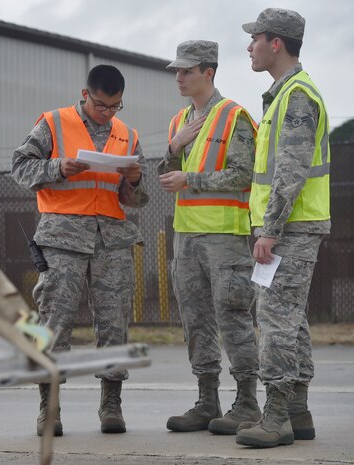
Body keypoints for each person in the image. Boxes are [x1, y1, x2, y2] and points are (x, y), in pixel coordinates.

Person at [11, 64, 148, 436]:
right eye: (103, 105)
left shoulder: (128, 134)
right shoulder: (54, 123)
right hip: (62, 242)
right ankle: (49, 409)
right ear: (86, 95)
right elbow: (20, 167)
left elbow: (138, 198)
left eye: (116, 106)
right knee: (54, 323)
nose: (109, 113)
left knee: (115, 323)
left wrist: (134, 180)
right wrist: (58, 167)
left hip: (113, 242)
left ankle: (111, 405)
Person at [235, 8, 330, 448]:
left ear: (275, 43)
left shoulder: (295, 96)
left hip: (289, 228)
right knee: (291, 320)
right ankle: (298, 410)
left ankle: (276, 416)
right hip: (291, 226)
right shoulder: (284, 94)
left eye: (255, 38)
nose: (249, 46)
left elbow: (290, 172)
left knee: (274, 321)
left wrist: (269, 229)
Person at [158, 40, 260, 435]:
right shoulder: (178, 122)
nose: (179, 77)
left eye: (186, 71)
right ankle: (207, 401)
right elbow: (165, 174)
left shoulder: (234, 116)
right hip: (186, 237)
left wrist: (191, 178)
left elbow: (242, 175)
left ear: (208, 72)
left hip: (224, 237)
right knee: (195, 320)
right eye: (177, 71)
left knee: (233, 318)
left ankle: (248, 402)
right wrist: (174, 146)